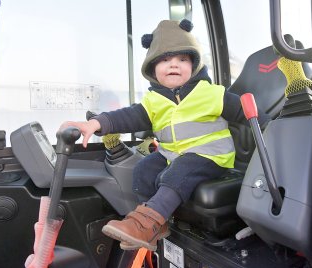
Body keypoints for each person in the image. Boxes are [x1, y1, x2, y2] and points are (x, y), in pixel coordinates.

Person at [59, 19, 263, 251]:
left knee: (178, 172)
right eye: (165, 59)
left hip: (211, 156)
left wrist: (272, 127)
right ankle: (158, 224)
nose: (174, 65)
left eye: (182, 59)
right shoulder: (154, 101)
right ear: (153, 68)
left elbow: (247, 114)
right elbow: (127, 116)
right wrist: (95, 123)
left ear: (194, 65)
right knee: (143, 170)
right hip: (173, 154)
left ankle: (146, 223)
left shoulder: (212, 94)